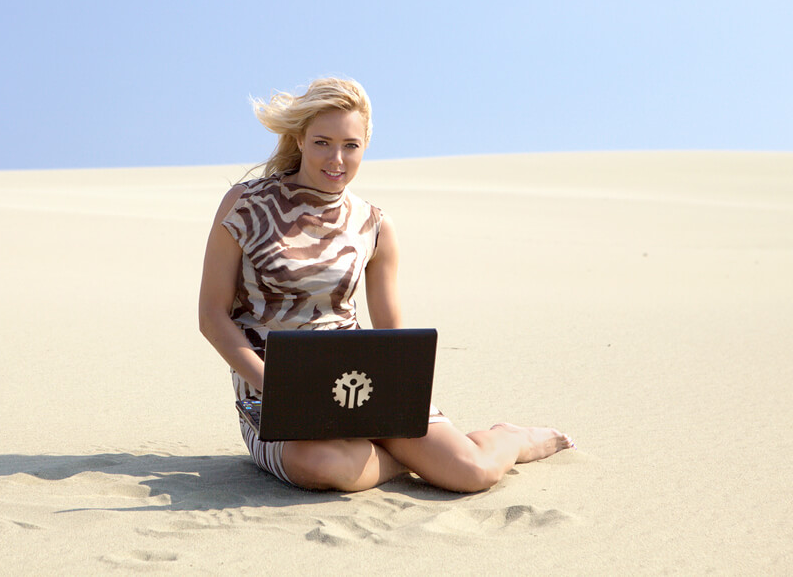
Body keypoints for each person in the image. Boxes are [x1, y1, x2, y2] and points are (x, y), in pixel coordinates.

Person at [198, 77, 573, 492]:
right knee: (326, 466)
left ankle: (511, 439)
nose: (337, 159)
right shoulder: (245, 205)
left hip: (358, 387)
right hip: (269, 397)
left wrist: (393, 404)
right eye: (322, 142)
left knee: (472, 472)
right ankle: (403, 462)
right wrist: (280, 388)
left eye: (351, 145)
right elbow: (212, 316)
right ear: (300, 139)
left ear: (365, 146)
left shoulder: (374, 224)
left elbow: (392, 339)